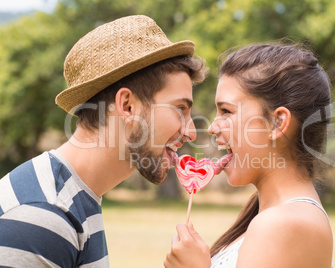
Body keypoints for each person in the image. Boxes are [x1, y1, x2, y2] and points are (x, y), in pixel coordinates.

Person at [0, 15, 207, 267]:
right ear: (127, 106)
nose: (191, 133)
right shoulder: (43, 217)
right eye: (180, 109)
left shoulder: (77, 198)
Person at [164, 42, 333, 267]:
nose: (212, 128)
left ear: (277, 122)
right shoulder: (272, 218)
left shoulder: (283, 224)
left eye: (226, 111)